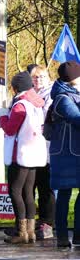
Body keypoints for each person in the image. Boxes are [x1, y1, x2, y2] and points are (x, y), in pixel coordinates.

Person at [0, 71, 47, 244]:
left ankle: (21, 232)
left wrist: (2, 116)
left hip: (20, 153)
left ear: (16, 87)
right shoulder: (37, 103)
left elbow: (10, 129)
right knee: (28, 192)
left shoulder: (20, 105)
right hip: (34, 152)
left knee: (15, 191)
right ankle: (31, 232)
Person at [48, 61, 80, 247]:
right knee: (64, 196)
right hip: (66, 155)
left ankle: (77, 234)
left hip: (76, 153)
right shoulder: (62, 98)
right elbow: (77, 118)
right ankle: (61, 236)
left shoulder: (74, 94)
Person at [30, 65, 55, 240]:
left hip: (45, 147)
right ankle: (28, 224)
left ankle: (47, 223)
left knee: (46, 188)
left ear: (47, 78)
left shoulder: (52, 94)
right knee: (30, 186)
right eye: (35, 77)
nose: (38, 80)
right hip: (29, 147)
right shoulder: (28, 93)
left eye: (41, 77)